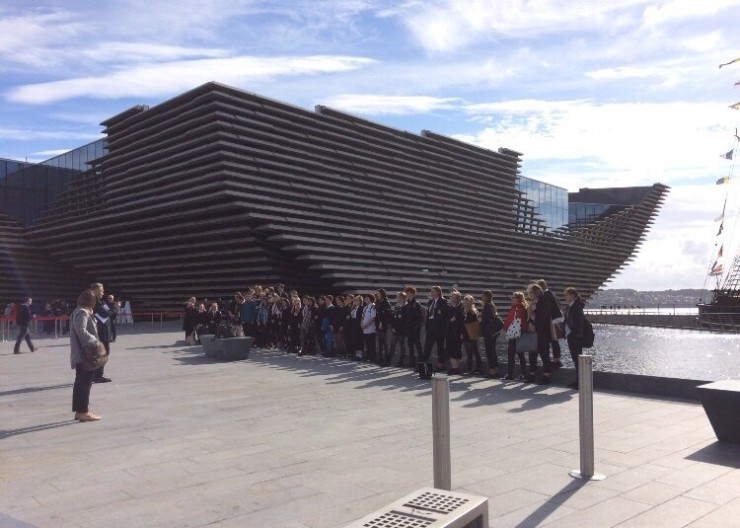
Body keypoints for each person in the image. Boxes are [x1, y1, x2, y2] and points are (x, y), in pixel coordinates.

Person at [70, 289, 102, 421]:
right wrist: (94, 341)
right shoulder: (82, 312)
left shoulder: (80, 311)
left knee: (80, 383)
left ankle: (79, 411)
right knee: (85, 383)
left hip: (81, 354)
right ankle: (83, 412)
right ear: (91, 301)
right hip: (85, 354)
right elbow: (81, 330)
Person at [527, 283, 553, 384]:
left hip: (542, 332)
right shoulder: (532, 302)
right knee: (532, 353)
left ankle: (546, 375)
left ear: (536, 292)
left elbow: (544, 317)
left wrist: (535, 312)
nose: (529, 294)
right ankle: (532, 374)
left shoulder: (543, 302)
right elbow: (530, 316)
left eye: (531, 292)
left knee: (544, 353)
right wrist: (530, 322)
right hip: (533, 331)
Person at [501, 292, 529, 380]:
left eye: (514, 298)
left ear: (518, 299)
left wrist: (505, 327)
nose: (512, 299)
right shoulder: (521, 308)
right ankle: (523, 374)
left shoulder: (517, 309)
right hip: (520, 333)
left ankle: (510, 374)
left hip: (515, 334)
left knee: (511, 355)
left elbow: (510, 320)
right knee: (521, 355)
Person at [537, 279, 564, 368]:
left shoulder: (546, 295)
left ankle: (556, 360)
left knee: (553, 339)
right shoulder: (551, 294)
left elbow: (547, 310)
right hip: (555, 319)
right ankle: (557, 359)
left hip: (551, 321)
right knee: (554, 340)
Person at [90, 283, 113, 383]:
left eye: (102, 290)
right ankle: (97, 375)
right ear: (94, 290)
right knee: (102, 354)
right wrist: (115, 308)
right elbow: (106, 313)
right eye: (100, 291)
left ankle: (96, 374)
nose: (102, 293)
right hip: (100, 332)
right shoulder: (95, 302)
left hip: (104, 331)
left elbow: (110, 314)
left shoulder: (101, 302)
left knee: (102, 353)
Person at [563, 287, 586, 389]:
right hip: (571, 336)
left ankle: (580, 381)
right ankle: (578, 380)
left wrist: (574, 333)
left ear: (572, 295)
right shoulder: (570, 306)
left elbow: (578, 322)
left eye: (566, 294)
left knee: (577, 359)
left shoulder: (576, 306)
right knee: (575, 359)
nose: (565, 296)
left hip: (575, 336)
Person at [422, 286, 448, 371]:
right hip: (430, 326)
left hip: (439, 327)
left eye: (433, 291)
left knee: (440, 346)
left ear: (438, 292)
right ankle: (423, 364)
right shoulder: (430, 302)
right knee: (427, 346)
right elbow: (428, 313)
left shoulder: (443, 302)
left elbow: (444, 316)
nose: (431, 293)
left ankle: (440, 365)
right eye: (431, 291)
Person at [480, 290, 501, 378]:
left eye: (483, 296)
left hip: (488, 332)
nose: (482, 297)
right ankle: (495, 370)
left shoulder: (487, 306)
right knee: (492, 351)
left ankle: (492, 371)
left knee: (489, 351)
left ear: (487, 297)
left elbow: (485, 321)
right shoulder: (492, 306)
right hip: (493, 332)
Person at [444, 292, 464, 374]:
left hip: (458, 331)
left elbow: (462, 320)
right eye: (451, 296)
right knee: (450, 349)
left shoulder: (461, 307)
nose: (451, 298)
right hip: (450, 331)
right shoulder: (447, 307)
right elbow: (444, 318)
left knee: (457, 350)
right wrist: (450, 320)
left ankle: (457, 368)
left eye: (453, 297)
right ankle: (454, 367)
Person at [404, 286, 423, 367]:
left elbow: (419, 317)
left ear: (412, 294)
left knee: (418, 346)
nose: (406, 295)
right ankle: (411, 362)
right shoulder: (407, 303)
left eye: (408, 293)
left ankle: (420, 363)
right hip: (408, 329)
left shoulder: (416, 304)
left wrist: (415, 327)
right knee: (410, 346)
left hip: (415, 329)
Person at [462, 294, 481, 375]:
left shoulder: (472, 312)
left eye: (466, 302)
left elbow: (471, 324)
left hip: (471, 334)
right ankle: (474, 368)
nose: (464, 303)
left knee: (472, 352)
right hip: (466, 334)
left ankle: (473, 369)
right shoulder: (465, 312)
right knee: (471, 352)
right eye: (464, 302)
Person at [389, 291, 407, 367]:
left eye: (398, 296)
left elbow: (405, 319)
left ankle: (401, 361)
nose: (396, 298)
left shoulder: (406, 306)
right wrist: (393, 327)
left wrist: (400, 327)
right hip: (395, 329)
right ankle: (388, 360)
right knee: (392, 344)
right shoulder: (397, 306)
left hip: (401, 329)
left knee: (402, 345)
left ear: (402, 297)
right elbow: (394, 318)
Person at [375, 289, 392, 366]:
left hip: (383, 323)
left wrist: (382, 322)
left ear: (382, 294)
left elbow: (386, 314)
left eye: (378, 294)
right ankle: (380, 359)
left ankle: (387, 360)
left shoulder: (386, 302)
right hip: (378, 322)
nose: (377, 295)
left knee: (384, 342)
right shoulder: (378, 302)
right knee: (380, 342)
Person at [360, 294, 377, 362]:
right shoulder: (365, 307)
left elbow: (373, 317)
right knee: (366, 343)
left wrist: (366, 324)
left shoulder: (373, 306)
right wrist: (361, 323)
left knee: (371, 343)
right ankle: (367, 356)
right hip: (364, 328)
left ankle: (372, 357)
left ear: (370, 299)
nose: (365, 300)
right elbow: (363, 317)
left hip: (370, 328)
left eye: (367, 298)